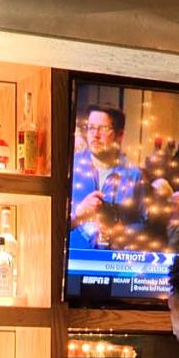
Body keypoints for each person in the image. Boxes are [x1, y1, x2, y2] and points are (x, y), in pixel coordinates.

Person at [69, 105, 147, 250]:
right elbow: (50, 222)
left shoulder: (134, 175)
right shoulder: (71, 169)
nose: (95, 135)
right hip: (74, 261)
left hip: (115, 264)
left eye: (103, 129)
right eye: (91, 127)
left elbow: (143, 224)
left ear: (120, 135)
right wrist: (78, 213)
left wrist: (123, 232)